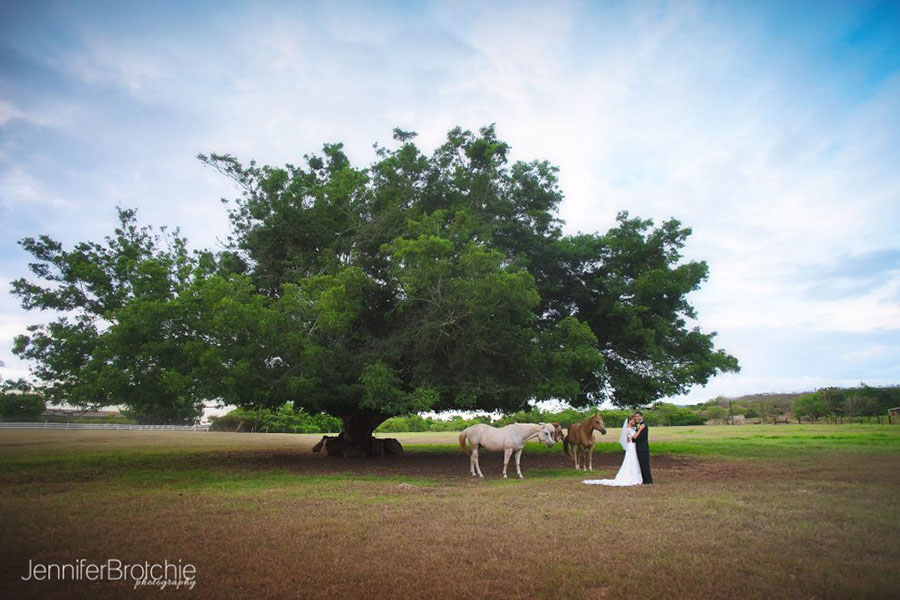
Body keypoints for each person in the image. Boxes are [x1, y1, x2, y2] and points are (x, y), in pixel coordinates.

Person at [582, 415, 642, 486]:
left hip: (634, 446)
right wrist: (640, 430)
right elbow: (632, 438)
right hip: (631, 446)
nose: (633, 421)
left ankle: (636, 474)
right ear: (629, 421)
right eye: (632, 420)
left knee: (635, 460)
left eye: (634, 420)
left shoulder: (633, 428)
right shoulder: (627, 429)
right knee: (631, 460)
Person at [632, 411, 652, 484]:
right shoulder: (638, 425)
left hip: (643, 448)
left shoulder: (644, 425)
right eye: (635, 417)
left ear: (641, 417)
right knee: (641, 464)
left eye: (638, 416)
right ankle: (644, 479)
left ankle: (648, 480)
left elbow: (639, 437)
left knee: (645, 465)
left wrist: (635, 437)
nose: (636, 418)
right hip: (639, 448)